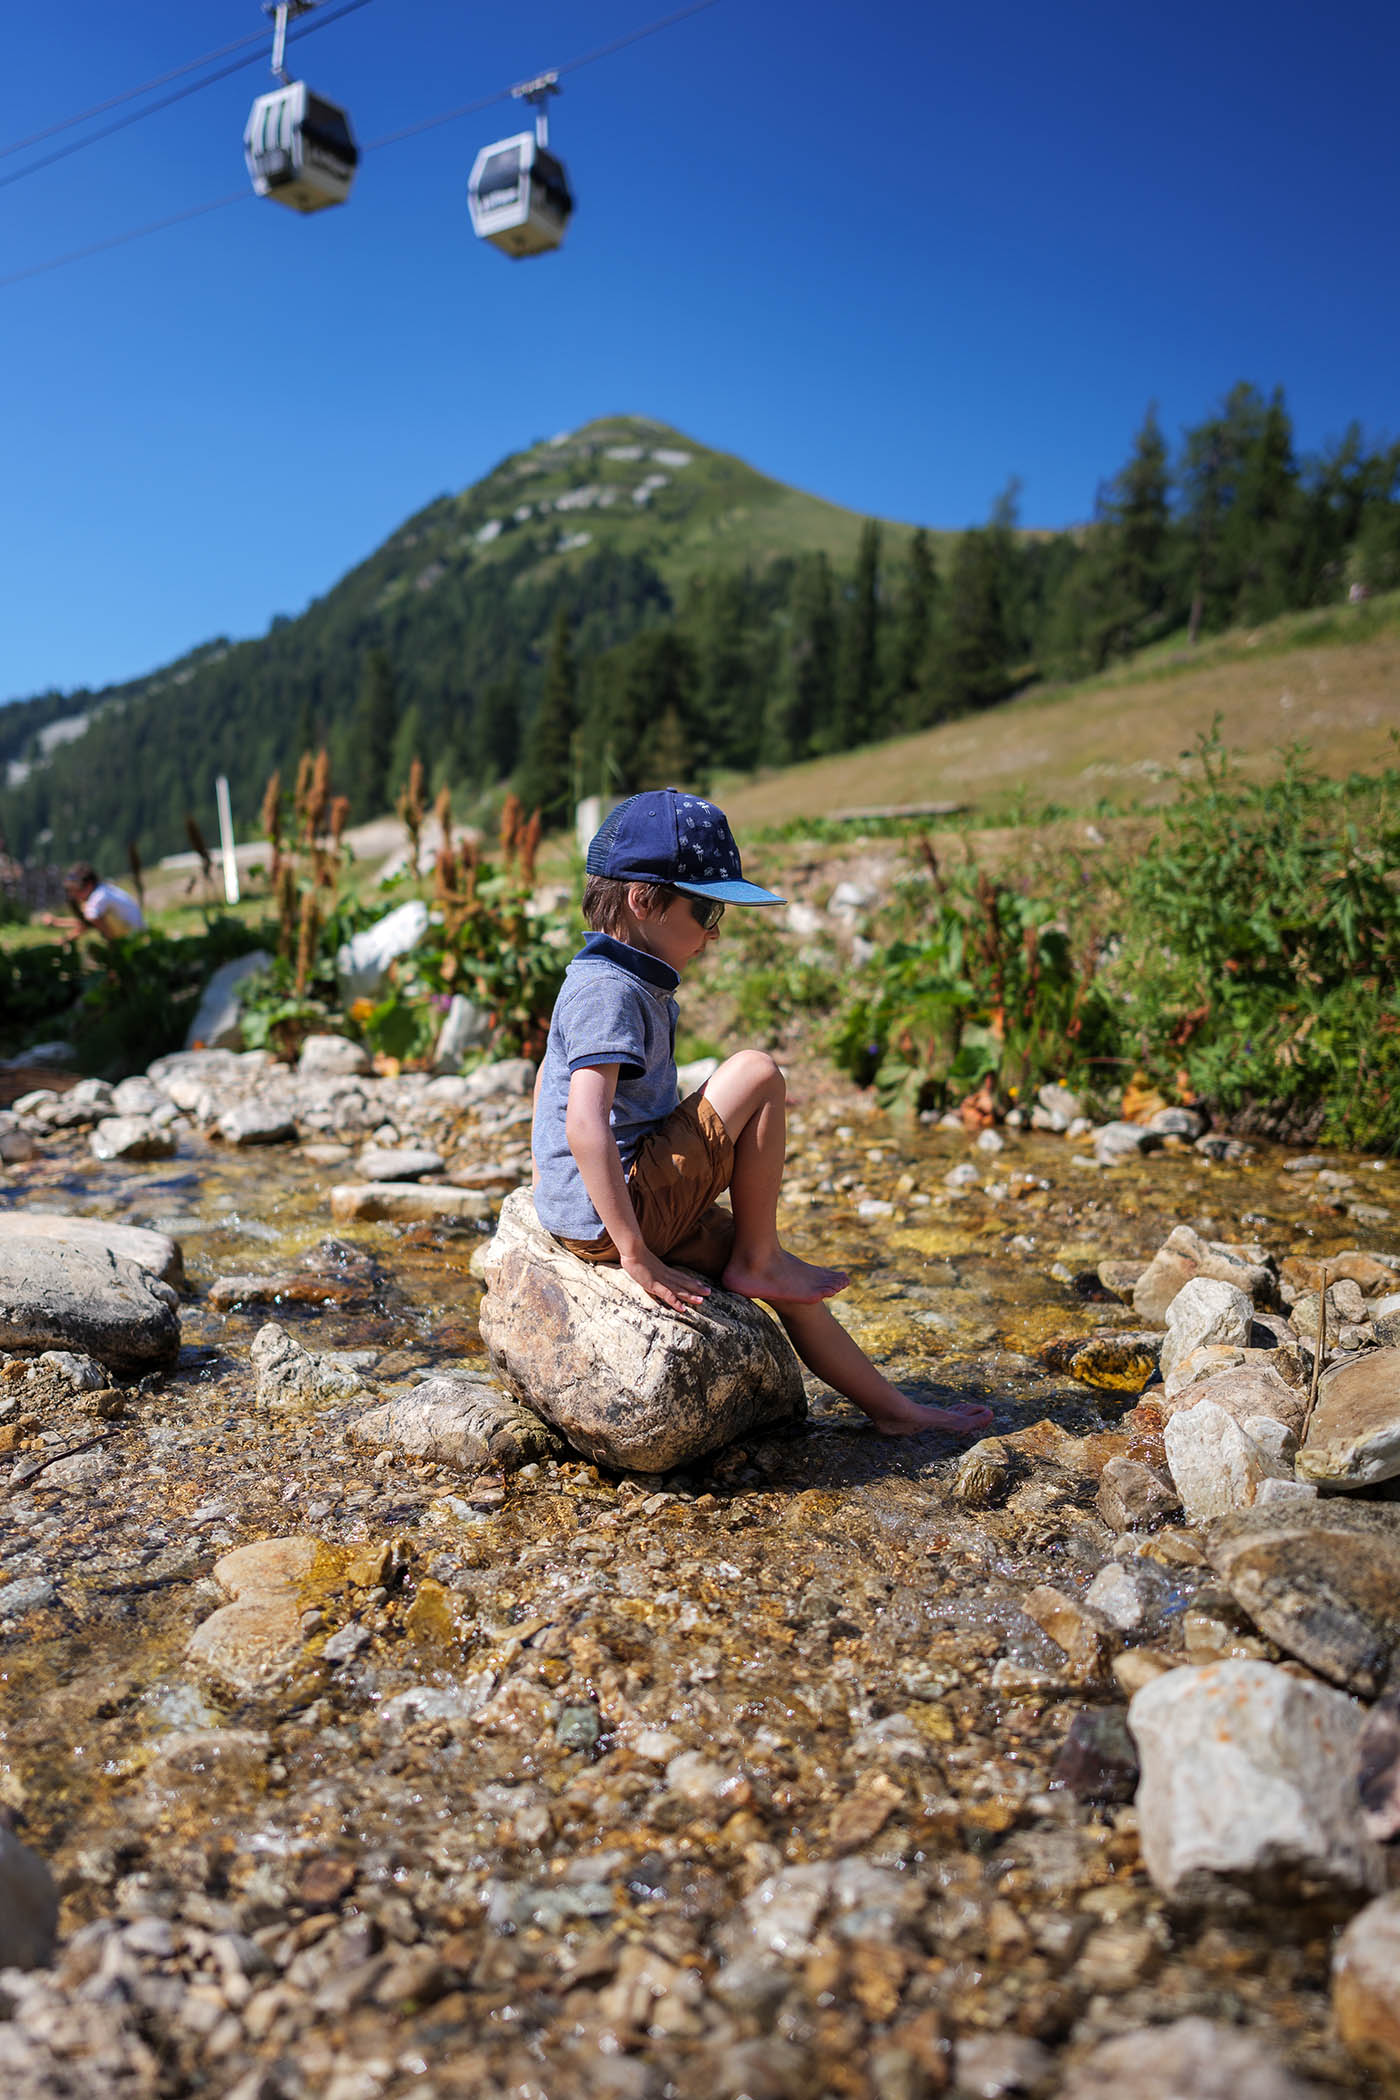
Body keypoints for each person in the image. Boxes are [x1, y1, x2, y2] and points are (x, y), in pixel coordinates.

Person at [531, 788, 994, 1440]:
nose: (715, 931)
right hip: (625, 1216)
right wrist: (635, 1255)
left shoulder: (601, 974)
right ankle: (759, 1255)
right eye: (707, 907)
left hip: (596, 1213)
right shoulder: (611, 990)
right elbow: (583, 1123)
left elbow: (546, 1084)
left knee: (786, 1288)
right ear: (643, 900)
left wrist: (548, 1189)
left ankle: (896, 1412)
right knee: (758, 1070)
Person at [61, 863, 145, 941]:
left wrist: (110, 940)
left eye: (77, 890)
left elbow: (91, 918)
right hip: (138, 932)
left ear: (89, 885)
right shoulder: (104, 889)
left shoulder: (98, 897)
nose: (76, 895)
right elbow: (86, 924)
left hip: (134, 938)